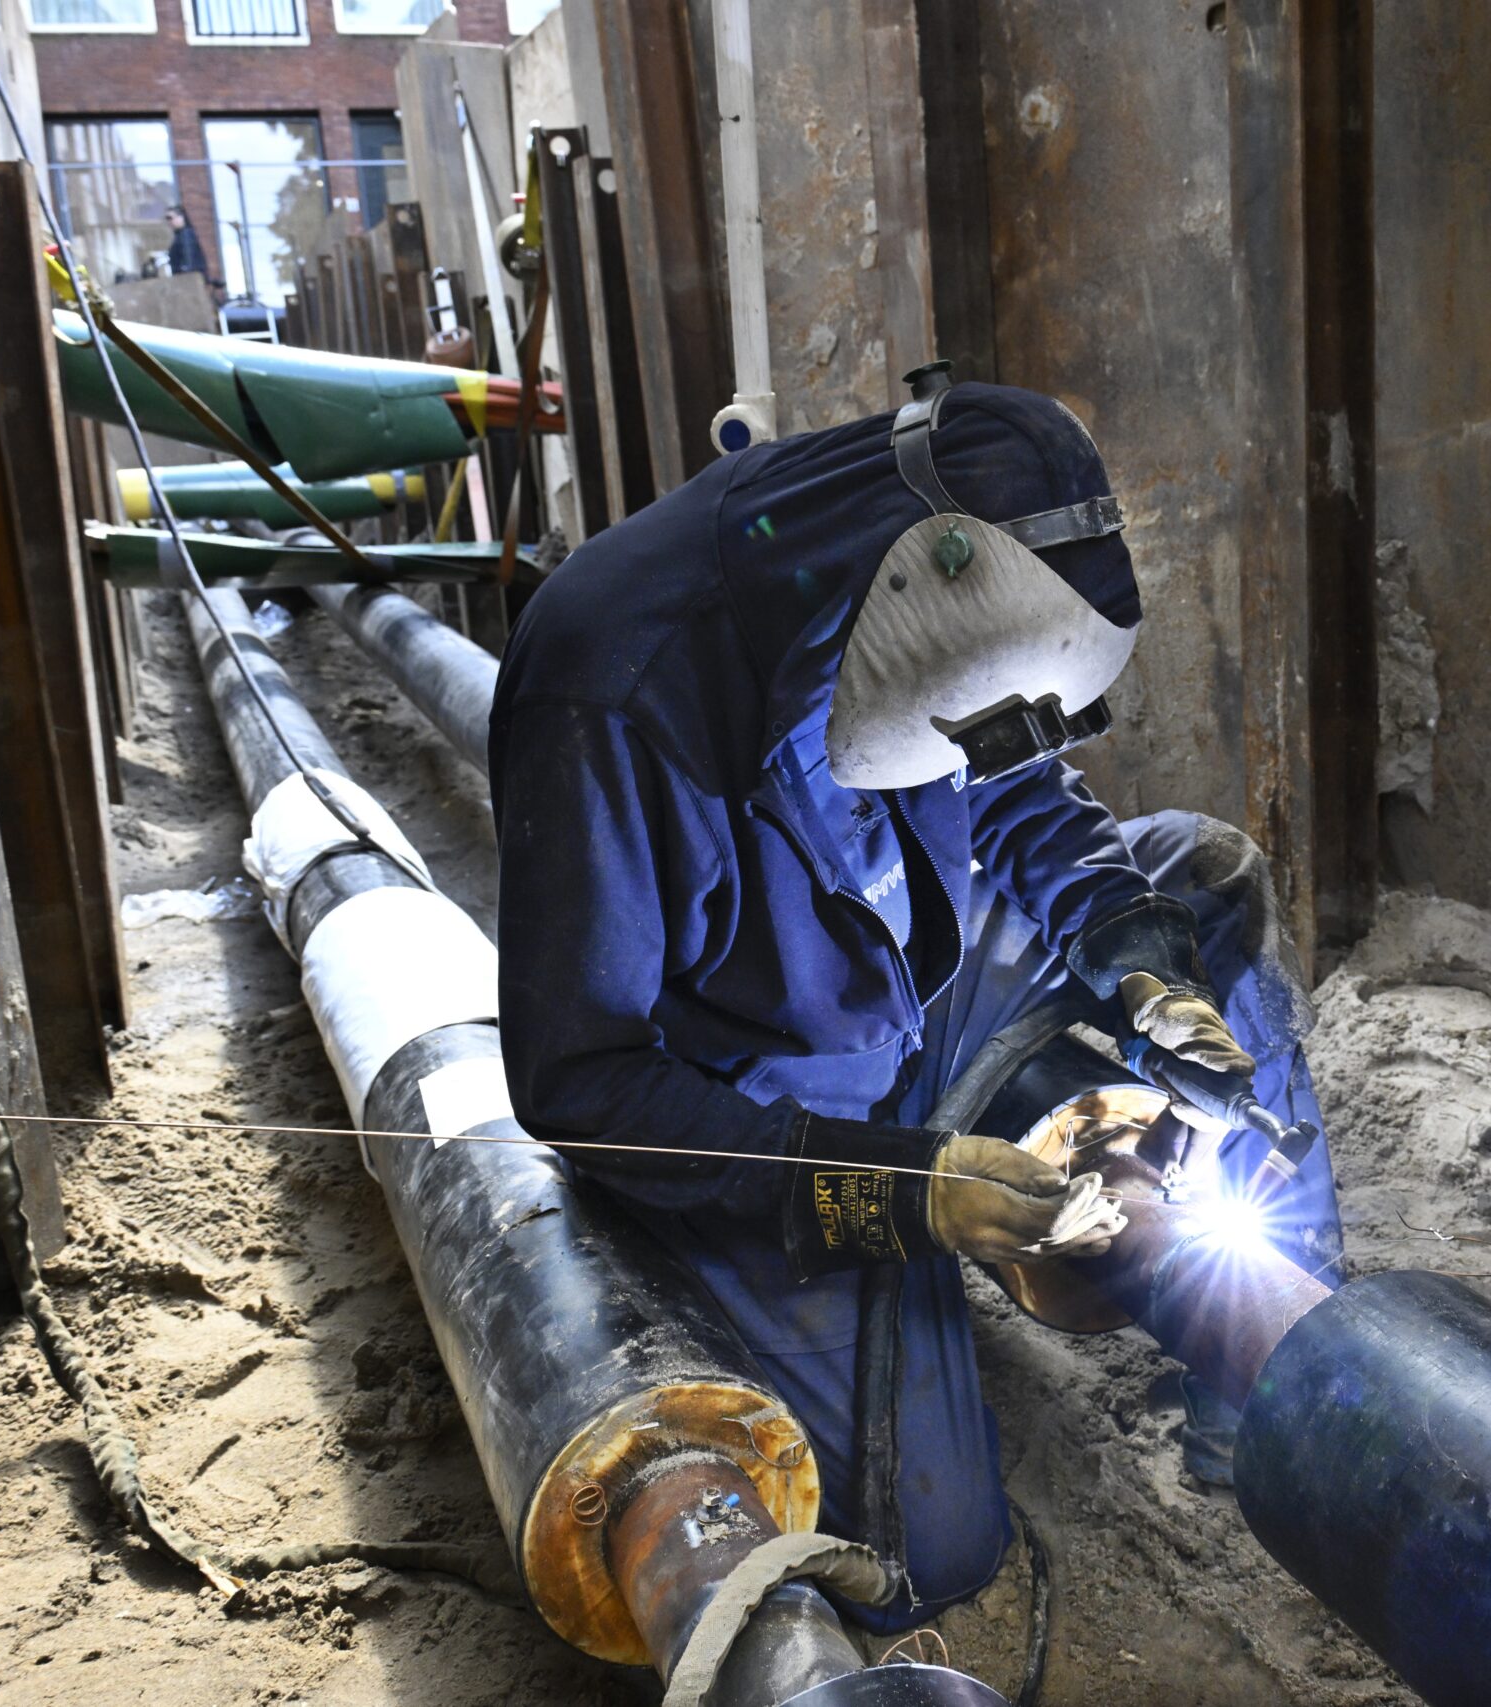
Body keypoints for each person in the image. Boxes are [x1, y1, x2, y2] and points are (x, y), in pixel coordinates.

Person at [489, 366, 1344, 1634]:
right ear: (913, 590)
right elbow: (582, 1081)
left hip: (908, 994)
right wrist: (887, 1187)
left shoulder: (902, 603)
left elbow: (1013, 793)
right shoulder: (613, 698)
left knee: (1193, 877)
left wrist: (1141, 964)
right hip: (765, 1105)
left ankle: (1278, 1364)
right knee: (932, 1550)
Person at [163, 204, 208, 281]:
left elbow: (189, 259)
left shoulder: (186, 235)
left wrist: (185, 272)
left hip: (189, 280)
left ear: (181, 217)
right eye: (167, 219)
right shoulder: (180, 235)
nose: (169, 222)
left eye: (170, 218)